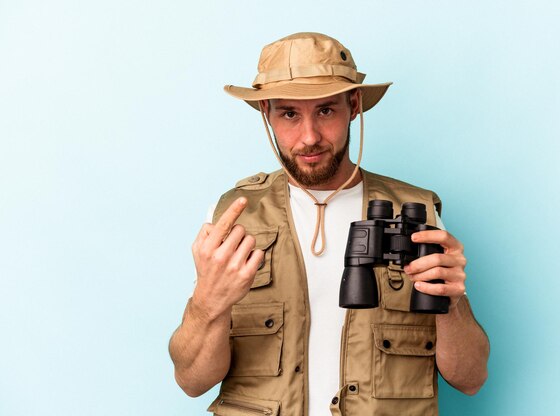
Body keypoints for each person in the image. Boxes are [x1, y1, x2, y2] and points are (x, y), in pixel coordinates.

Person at [169, 32, 489, 416]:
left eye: (325, 111)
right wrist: (208, 306)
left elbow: (470, 379)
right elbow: (192, 381)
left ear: (353, 106)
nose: (309, 137)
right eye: (289, 113)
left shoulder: (415, 212)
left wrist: (451, 304)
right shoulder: (234, 217)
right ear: (265, 112)